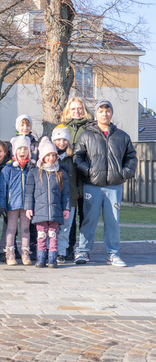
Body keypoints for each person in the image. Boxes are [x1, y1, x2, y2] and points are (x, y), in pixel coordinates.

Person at [73, 100, 137, 267]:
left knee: (113, 222)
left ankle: (113, 254)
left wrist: (123, 173)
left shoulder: (122, 136)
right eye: (101, 111)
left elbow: (132, 158)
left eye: (107, 111)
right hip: (92, 186)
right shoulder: (86, 134)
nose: (104, 114)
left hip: (113, 187)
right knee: (89, 220)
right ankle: (83, 252)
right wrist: (89, 171)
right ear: (96, 114)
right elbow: (77, 157)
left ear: (111, 113)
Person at [24, 137, 71, 268]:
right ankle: (41, 258)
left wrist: (66, 208)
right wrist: (28, 207)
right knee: (41, 234)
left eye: (53, 155)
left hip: (55, 210)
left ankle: (52, 259)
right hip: (40, 210)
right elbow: (29, 192)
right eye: (48, 155)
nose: (51, 158)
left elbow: (66, 193)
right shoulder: (35, 172)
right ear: (42, 157)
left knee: (53, 234)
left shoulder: (61, 173)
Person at [61, 97, 93, 260]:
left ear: (84, 110)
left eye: (79, 108)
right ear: (68, 111)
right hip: (69, 180)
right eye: (73, 109)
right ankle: (69, 247)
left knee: (86, 216)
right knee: (70, 216)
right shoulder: (62, 128)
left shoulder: (90, 128)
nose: (76, 111)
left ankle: (83, 248)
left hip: (87, 177)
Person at [0, 135, 35, 266]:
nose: (23, 152)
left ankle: (25, 253)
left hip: (26, 205)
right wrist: (2, 205)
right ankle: (10, 253)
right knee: (11, 229)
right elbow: (3, 188)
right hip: (12, 204)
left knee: (25, 229)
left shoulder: (31, 168)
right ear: (15, 151)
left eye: (25, 149)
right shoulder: (8, 168)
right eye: (20, 149)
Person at [51, 125, 79, 264]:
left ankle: (61, 252)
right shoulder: (48, 156)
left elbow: (78, 177)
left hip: (70, 199)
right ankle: (51, 251)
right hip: (52, 198)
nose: (61, 143)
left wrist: (77, 193)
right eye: (58, 139)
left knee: (66, 227)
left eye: (64, 140)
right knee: (52, 226)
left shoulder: (72, 158)